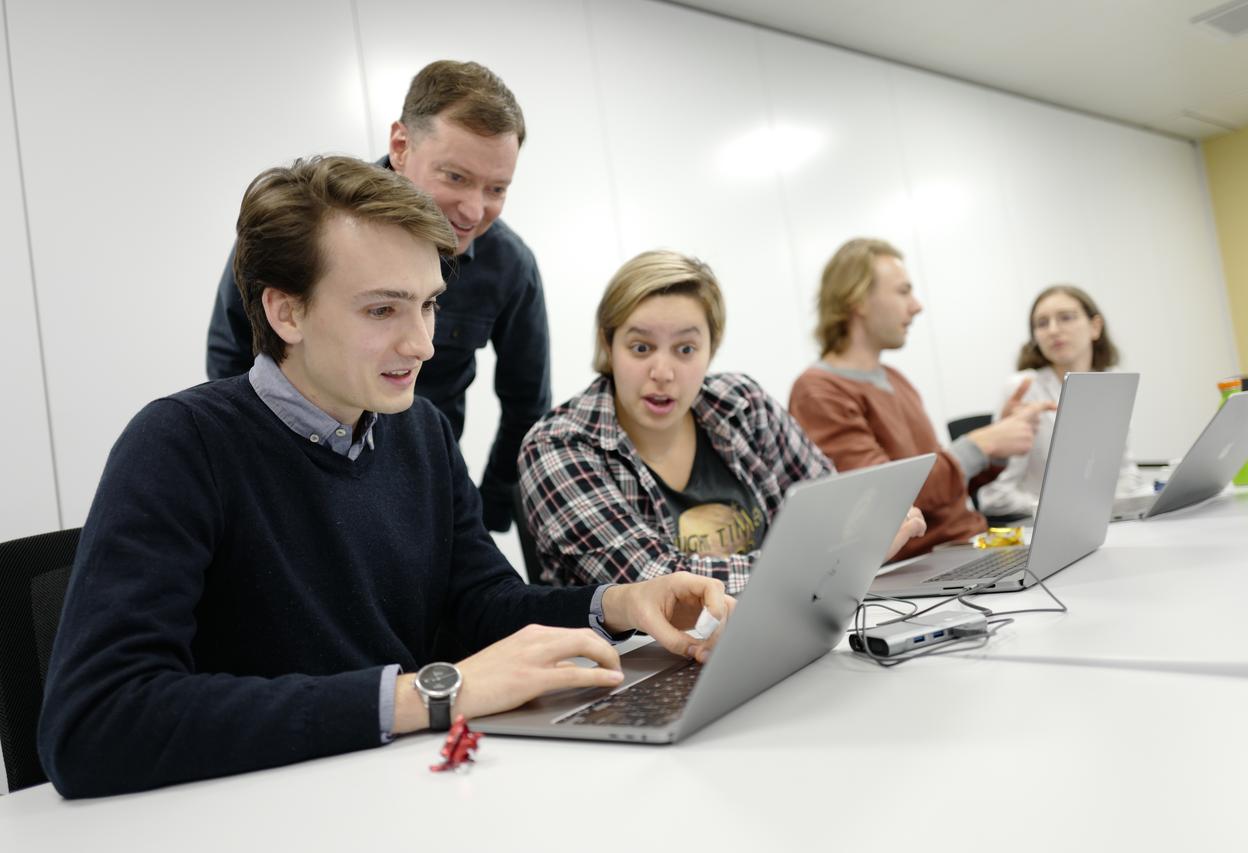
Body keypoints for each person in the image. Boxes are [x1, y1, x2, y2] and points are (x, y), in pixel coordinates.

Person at [38, 157, 729, 799]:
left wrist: (621, 604)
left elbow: (478, 602)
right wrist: (431, 694)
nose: (423, 343)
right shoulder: (181, 444)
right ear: (287, 311)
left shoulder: (419, 431)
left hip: (402, 791)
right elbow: (95, 721)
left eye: (428, 305)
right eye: (383, 309)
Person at [206, 60, 547, 532]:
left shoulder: (510, 266)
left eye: (496, 189)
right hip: (292, 477)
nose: (473, 210)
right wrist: (250, 472)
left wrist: (483, 515)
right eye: (455, 177)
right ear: (401, 146)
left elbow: (527, 403)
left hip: (420, 485)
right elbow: (233, 351)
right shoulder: (308, 221)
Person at [518, 250, 925, 593]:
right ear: (608, 345)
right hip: (638, 667)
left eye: (686, 349)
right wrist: (839, 555)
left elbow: (834, 510)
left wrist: (858, 535)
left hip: (780, 632)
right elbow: (668, 589)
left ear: (712, 349)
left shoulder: (742, 405)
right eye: (641, 348)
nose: (663, 371)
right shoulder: (557, 446)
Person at [788, 238, 1052, 562]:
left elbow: (946, 488)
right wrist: (979, 446)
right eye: (902, 292)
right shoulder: (818, 391)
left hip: (964, 549)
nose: (916, 306)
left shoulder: (897, 380)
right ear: (856, 299)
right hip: (918, 565)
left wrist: (998, 445)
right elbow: (882, 502)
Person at [975, 285, 1145, 517]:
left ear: (1095, 327)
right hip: (1038, 525)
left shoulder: (1111, 382)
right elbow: (995, 495)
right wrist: (1057, 509)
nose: (1053, 330)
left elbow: (1124, 471)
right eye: (1042, 323)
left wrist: (1129, 507)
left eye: (1066, 318)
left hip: (1106, 520)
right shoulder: (1023, 388)